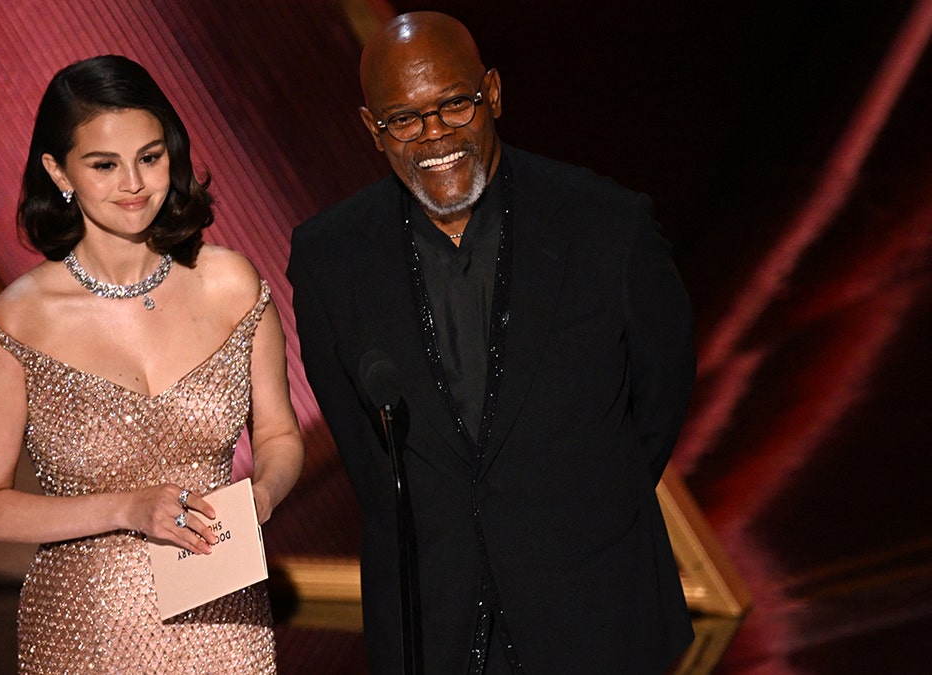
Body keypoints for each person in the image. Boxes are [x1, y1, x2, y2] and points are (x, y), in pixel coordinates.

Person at [288, 12, 695, 674]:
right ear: (372, 129)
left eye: (453, 105)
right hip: (433, 623)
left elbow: (659, 393)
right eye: (405, 119)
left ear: (494, 94)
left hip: (594, 607)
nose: (434, 136)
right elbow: (363, 449)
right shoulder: (329, 256)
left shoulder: (606, 226)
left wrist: (567, 500)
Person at [0, 55, 303, 673]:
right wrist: (124, 508)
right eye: (104, 165)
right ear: (58, 171)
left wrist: (262, 498)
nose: (134, 184)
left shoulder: (230, 284)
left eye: (149, 157)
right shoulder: (20, 323)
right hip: (87, 630)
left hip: (223, 616)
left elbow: (277, 433)